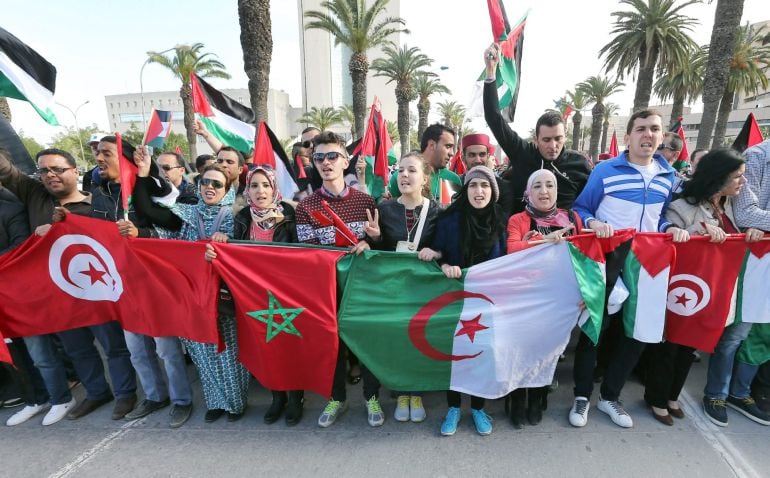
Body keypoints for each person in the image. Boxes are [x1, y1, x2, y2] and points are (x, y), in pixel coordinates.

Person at [0, 147, 137, 424]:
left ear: (74, 171)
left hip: (96, 293)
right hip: (58, 296)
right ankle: (98, 392)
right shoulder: (35, 194)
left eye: (58, 169)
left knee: (113, 347)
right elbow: (6, 170)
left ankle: (125, 393)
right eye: (44, 170)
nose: (51, 175)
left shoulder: (99, 203)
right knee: (77, 349)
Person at [570, 109, 689, 429]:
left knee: (636, 335)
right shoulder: (606, 170)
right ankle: (581, 396)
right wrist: (594, 222)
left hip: (649, 265)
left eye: (654, 129)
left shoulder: (669, 176)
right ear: (628, 136)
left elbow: (663, 216)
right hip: (608, 260)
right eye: (641, 129)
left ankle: (610, 397)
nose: (648, 135)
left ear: (662, 136)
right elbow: (581, 208)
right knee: (594, 329)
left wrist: (670, 227)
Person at [645, 148, 765, 426]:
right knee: (672, 343)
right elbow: (668, 242)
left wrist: (751, 233)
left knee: (693, 344)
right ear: (719, 177)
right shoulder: (683, 206)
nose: (743, 182)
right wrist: (698, 235)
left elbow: (738, 240)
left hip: (714, 289)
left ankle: (672, 396)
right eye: (737, 176)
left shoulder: (736, 210)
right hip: (685, 288)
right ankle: (656, 397)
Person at [133, 156, 250, 423]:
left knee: (229, 354)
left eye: (217, 184)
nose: (210, 187)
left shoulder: (236, 217)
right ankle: (215, 403)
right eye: (205, 182)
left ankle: (235, 405)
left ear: (228, 188)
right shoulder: (185, 215)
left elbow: (249, 252)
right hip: (192, 298)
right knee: (202, 353)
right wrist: (142, 174)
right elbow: (148, 212)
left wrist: (227, 243)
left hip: (225, 300)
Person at [205, 165, 305, 426]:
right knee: (266, 349)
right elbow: (234, 252)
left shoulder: (290, 215)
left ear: (274, 188)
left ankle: (296, 398)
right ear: (247, 190)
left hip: (284, 294)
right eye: (254, 186)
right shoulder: (242, 218)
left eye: (266, 185)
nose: (260, 191)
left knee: (288, 348)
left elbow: (303, 253)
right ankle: (277, 397)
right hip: (253, 296)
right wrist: (221, 242)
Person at [294, 131, 382, 428]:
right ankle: (337, 397)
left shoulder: (367, 200)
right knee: (331, 344)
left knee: (366, 340)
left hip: (361, 287)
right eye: (319, 157)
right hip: (325, 289)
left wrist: (372, 242)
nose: (326, 162)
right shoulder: (306, 207)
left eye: (332, 156)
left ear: (346, 161)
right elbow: (307, 254)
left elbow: (380, 248)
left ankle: (371, 397)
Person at [419, 165, 508, 436]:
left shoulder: (501, 222)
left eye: (484, 186)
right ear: (465, 189)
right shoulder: (449, 220)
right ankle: (454, 407)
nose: (478, 191)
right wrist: (443, 263)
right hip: (454, 301)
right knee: (456, 355)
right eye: (473, 185)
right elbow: (436, 252)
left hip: (487, 303)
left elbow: (508, 260)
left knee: (481, 354)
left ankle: (479, 408)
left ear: (493, 191)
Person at [504, 169, 582, 428]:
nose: (544, 191)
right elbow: (512, 249)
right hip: (524, 297)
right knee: (521, 350)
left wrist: (585, 293)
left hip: (558, 297)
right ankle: (516, 399)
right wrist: (543, 241)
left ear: (557, 191)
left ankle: (538, 397)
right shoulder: (517, 219)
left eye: (550, 185)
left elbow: (585, 259)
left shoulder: (572, 218)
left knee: (548, 351)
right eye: (537, 186)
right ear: (528, 192)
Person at [366, 152, 440, 423]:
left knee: (419, 339)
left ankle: (416, 392)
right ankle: (400, 392)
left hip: (423, 289)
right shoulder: (384, 209)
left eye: (412, 170)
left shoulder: (437, 210)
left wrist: (437, 251)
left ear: (424, 179)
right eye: (401, 170)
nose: (405, 175)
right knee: (397, 339)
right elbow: (378, 250)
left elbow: (447, 245)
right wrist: (374, 238)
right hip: (393, 289)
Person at [483, 44, 591, 213]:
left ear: (565, 137)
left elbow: (589, 205)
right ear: (536, 139)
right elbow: (494, 119)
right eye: (546, 140)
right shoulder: (523, 153)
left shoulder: (579, 165)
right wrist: (491, 72)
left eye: (558, 139)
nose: (553, 145)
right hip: (524, 236)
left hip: (563, 237)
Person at [728, 137, 770, 419]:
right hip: (758, 259)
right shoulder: (757, 156)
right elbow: (746, 214)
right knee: (754, 329)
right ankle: (738, 392)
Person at [387, 123, 462, 201]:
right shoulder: (401, 177)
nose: (452, 153)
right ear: (432, 145)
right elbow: (393, 209)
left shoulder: (453, 179)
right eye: (448, 146)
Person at [460, 133, 514, 213]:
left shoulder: (503, 187)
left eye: (482, 155)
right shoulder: (456, 184)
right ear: (463, 158)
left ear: (488, 157)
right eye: (472, 155)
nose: (478, 160)